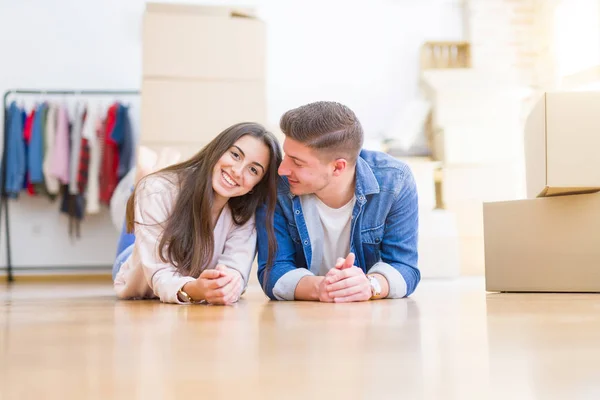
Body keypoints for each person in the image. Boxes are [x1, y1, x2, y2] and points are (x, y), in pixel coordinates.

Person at [255, 101, 419, 302]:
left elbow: (405, 267)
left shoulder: (394, 181)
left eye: (297, 162)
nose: (282, 169)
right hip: (301, 317)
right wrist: (320, 287)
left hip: (369, 319)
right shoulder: (276, 186)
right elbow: (273, 271)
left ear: (338, 167)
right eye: (286, 155)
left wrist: (369, 285)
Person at [112, 122, 282, 305]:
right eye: (235, 155)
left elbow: (236, 271)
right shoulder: (156, 191)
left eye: (253, 170)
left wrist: (227, 284)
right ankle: (139, 180)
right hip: (138, 269)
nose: (237, 171)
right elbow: (159, 274)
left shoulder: (245, 215)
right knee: (137, 225)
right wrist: (198, 290)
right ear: (218, 149)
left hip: (175, 256)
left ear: (256, 186)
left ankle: (147, 176)